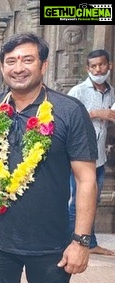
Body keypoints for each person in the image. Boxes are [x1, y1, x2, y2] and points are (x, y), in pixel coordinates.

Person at [0, 32, 98, 283]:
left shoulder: (67, 111)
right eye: (11, 61)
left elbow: (86, 179)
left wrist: (81, 241)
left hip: (51, 245)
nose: (19, 68)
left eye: (28, 59)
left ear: (43, 65)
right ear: (2, 66)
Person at [68, 49, 115, 256]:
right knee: (76, 200)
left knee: (93, 200)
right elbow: (66, 118)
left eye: (102, 65)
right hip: (79, 157)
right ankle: (70, 242)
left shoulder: (111, 92)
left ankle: (91, 242)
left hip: (99, 156)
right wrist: (96, 113)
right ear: (88, 68)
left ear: (109, 66)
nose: (98, 69)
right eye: (93, 66)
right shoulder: (78, 91)